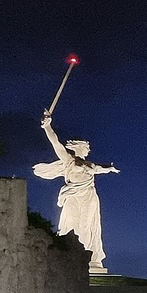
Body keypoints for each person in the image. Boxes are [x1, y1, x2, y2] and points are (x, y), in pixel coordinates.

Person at [33, 110, 119, 273]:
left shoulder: (90, 165)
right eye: (86, 148)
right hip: (73, 196)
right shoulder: (68, 160)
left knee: (86, 226)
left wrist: (110, 169)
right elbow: (56, 144)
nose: (88, 151)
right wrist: (47, 127)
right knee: (71, 225)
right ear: (78, 148)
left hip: (88, 196)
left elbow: (100, 169)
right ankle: (70, 256)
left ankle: (85, 259)